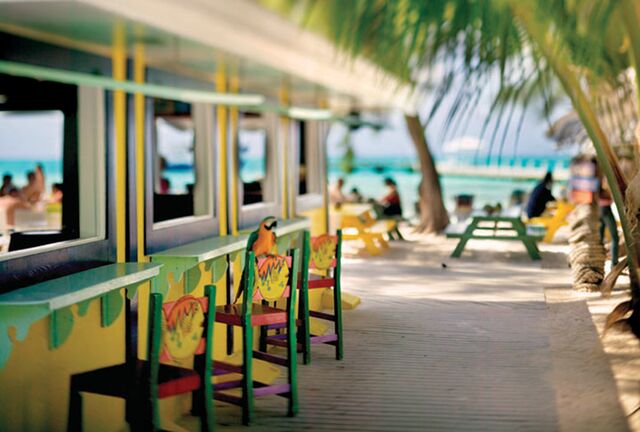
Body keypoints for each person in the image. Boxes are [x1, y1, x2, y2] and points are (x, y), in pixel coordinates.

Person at [599, 178, 619, 265]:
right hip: (606, 209)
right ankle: (614, 263)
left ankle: (599, 262)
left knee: (600, 238)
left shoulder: (598, 179)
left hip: (599, 210)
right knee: (615, 237)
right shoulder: (604, 181)